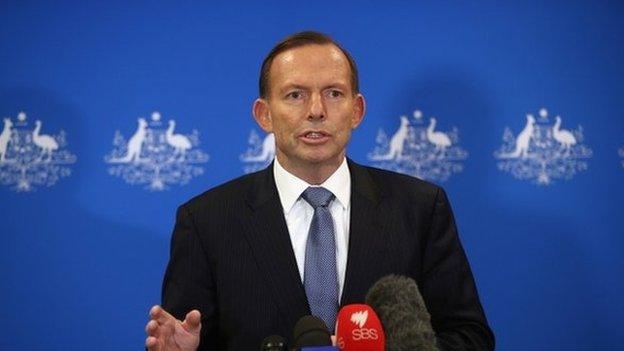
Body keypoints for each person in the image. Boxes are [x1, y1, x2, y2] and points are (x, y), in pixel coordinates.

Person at [145, 31, 494, 351]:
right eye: (295, 95)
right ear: (264, 114)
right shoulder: (207, 220)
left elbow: (469, 336)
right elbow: (184, 336)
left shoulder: (419, 208)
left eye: (334, 93)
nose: (316, 111)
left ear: (356, 111)